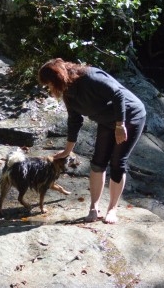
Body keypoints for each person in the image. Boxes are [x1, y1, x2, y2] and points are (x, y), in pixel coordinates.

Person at [38, 58, 146, 224]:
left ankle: (112, 209)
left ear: (58, 79)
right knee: (98, 162)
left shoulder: (90, 77)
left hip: (129, 117)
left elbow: (117, 94)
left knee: (118, 162)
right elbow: (74, 120)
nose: (49, 89)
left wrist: (120, 125)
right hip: (106, 120)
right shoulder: (68, 91)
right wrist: (67, 150)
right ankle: (94, 208)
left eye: (49, 84)